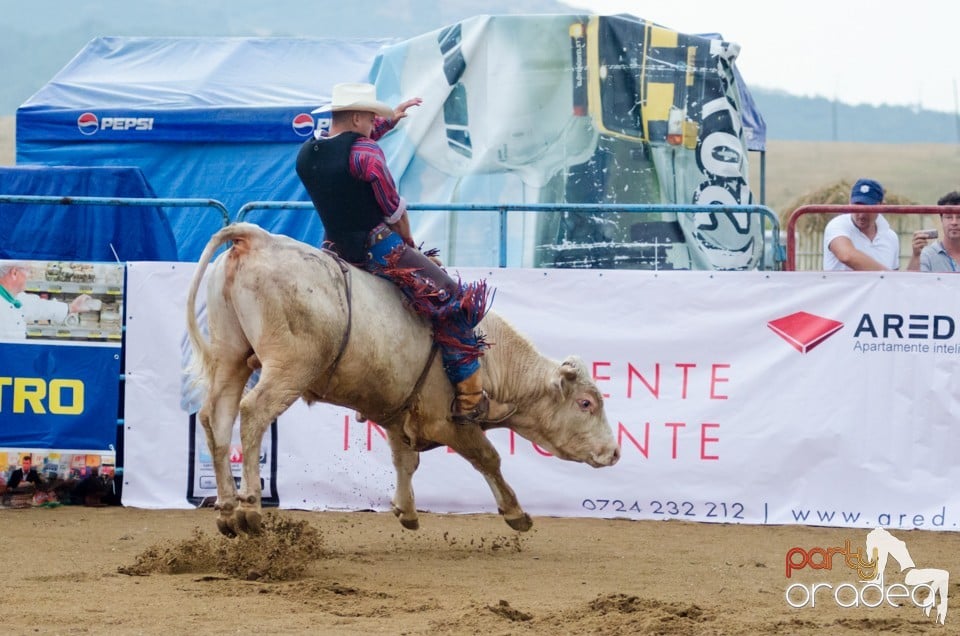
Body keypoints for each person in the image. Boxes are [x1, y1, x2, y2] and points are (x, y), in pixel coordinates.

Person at [295, 82, 515, 425]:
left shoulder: (307, 154)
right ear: (357, 116)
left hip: (334, 250)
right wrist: (409, 244)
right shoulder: (367, 153)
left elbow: (346, 152)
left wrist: (389, 120)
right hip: (376, 248)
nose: (373, 125)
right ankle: (471, 398)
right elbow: (393, 210)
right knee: (453, 300)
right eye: (371, 118)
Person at [0, 263, 98, 340]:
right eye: (28, 271)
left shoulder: (13, 297)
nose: (29, 276)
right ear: (14, 273)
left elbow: (37, 306)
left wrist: (70, 307)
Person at [822, 178, 900, 271]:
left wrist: (915, 256)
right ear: (849, 203)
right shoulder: (837, 225)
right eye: (857, 207)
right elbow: (846, 256)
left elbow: (896, 275)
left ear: (881, 206)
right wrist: (887, 276)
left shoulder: (891, 237)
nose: (861, 215)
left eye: (868, 209)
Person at [906, 190, 960, 272]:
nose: (954, 222)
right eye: (948, 217)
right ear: (941, 219)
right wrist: (916, 255)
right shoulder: (927, 255)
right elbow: (911, 282)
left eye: (959, 217)